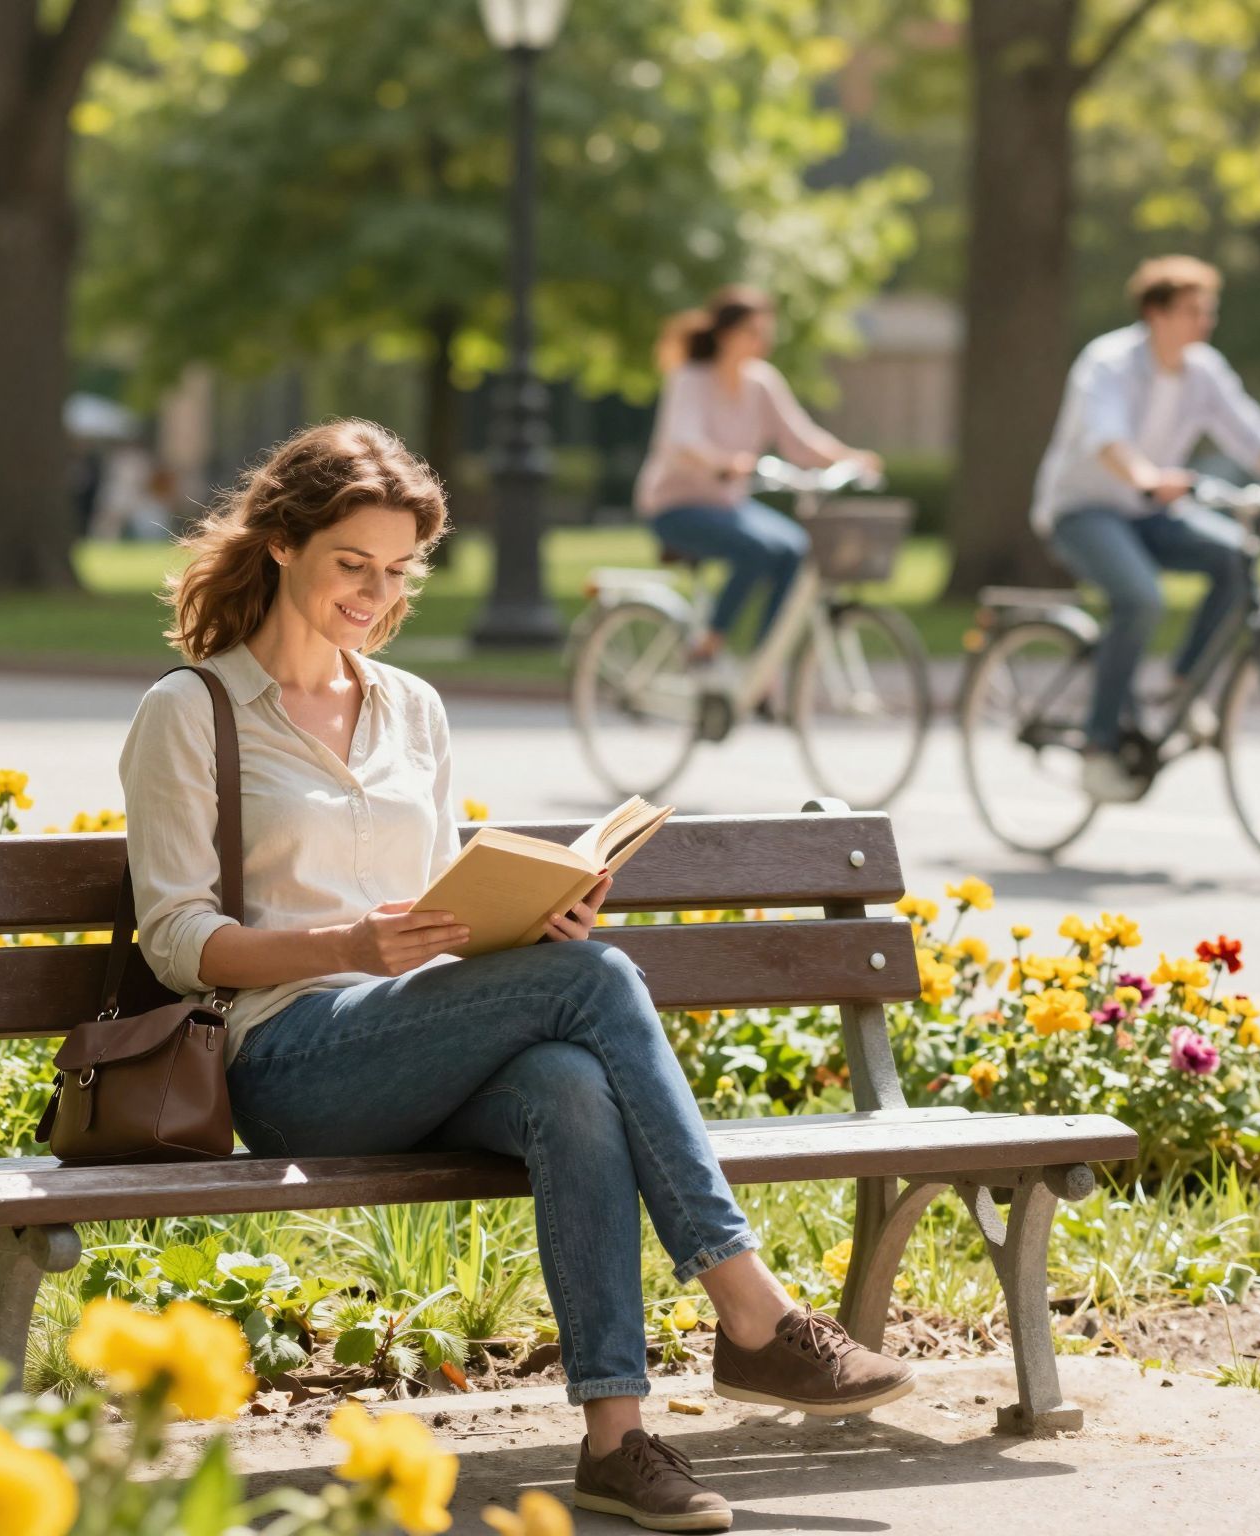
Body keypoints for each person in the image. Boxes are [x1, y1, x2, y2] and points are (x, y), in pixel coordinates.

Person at [120, 419, 914, 1534]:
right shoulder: (190, 711)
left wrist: (531, 917)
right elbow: (173, 934)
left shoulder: (411, 709)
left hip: (419, 1034)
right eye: (352, 564)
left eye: (398, 572)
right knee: (596, 986)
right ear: (283, 545)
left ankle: (616, 1442)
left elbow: (442, 895)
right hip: (288, 1056)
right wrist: (343, 947)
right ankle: (748, 1307)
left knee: (570, 1086)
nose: (375, 593)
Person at [1033, 255, 1260, 802]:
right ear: (1156, 312)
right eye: (1194, 311)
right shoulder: (1108, 363)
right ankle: (1099, 746)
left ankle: (1181, 684)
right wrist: (1145, 476)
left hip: (1151, 512)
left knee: (1237, 556)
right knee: (1141, 599)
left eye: (1209, 311)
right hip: (1086, 510)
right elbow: (1105, 436)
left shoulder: (1204, 370)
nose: (1205, 322)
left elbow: (1249, 432)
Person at [634, 285, 881, 665]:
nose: (762, 342)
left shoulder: (761, 381)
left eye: (766, 333)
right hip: (676, 507)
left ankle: (763, 664)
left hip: (728, 507)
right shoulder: (691, 379)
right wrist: (722, 462)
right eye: (753, 332)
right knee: (757, 548)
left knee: (797, 550)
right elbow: (682, 440)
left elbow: (800, 440)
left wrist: (849, 458)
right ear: (724, 334)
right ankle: (709, 645)